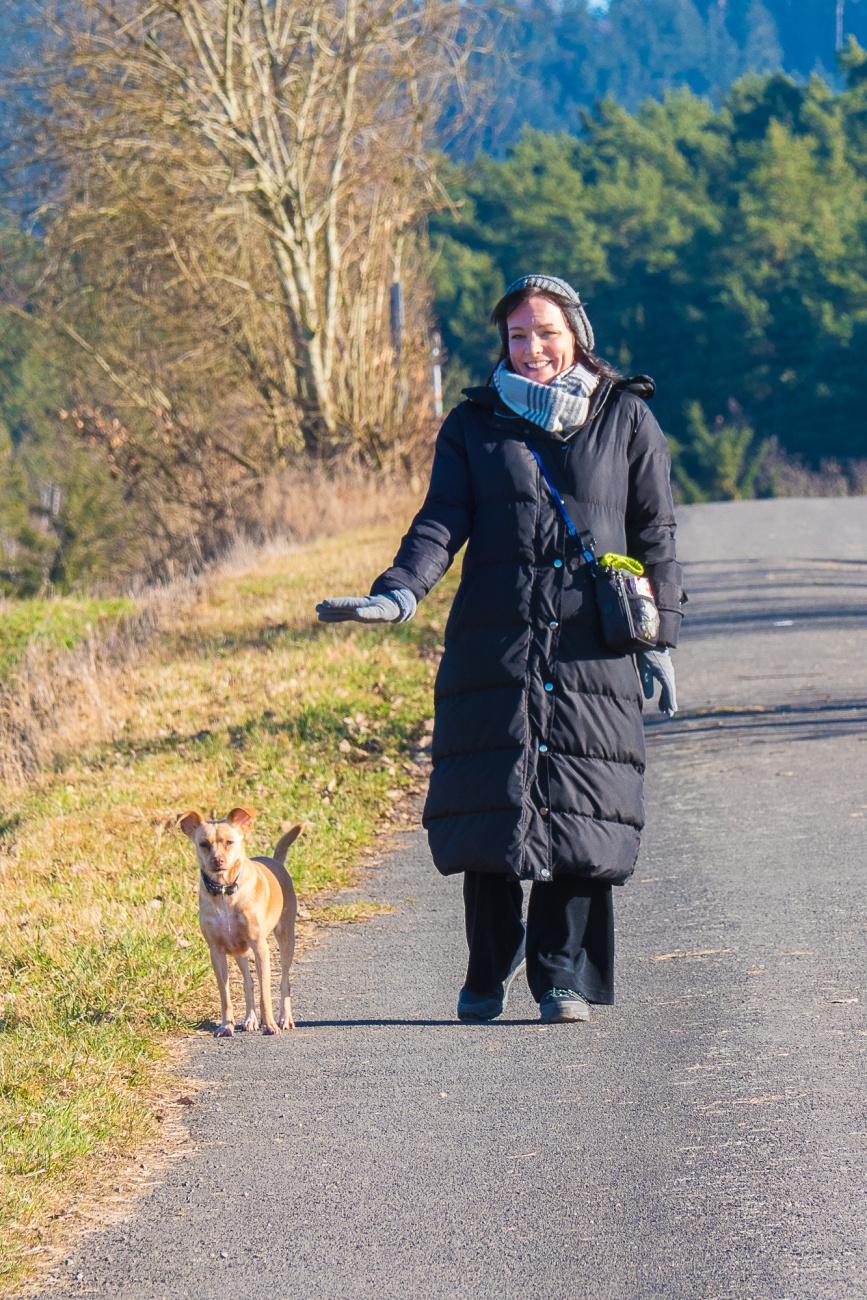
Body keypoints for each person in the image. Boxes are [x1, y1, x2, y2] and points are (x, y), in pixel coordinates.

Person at [317, 274, 684, 1025]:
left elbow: (655, 533)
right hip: (496, 643)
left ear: (575, 334)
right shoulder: (474, 422)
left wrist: (658, 636)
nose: (532, 348)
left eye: (545, 332)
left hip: (590, 645)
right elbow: (440, 520)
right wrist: (399, 591)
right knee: (490, 805)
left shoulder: (626, 417)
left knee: (585, 806)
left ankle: (562, 976)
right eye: (518, 336)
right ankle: (488, 962)